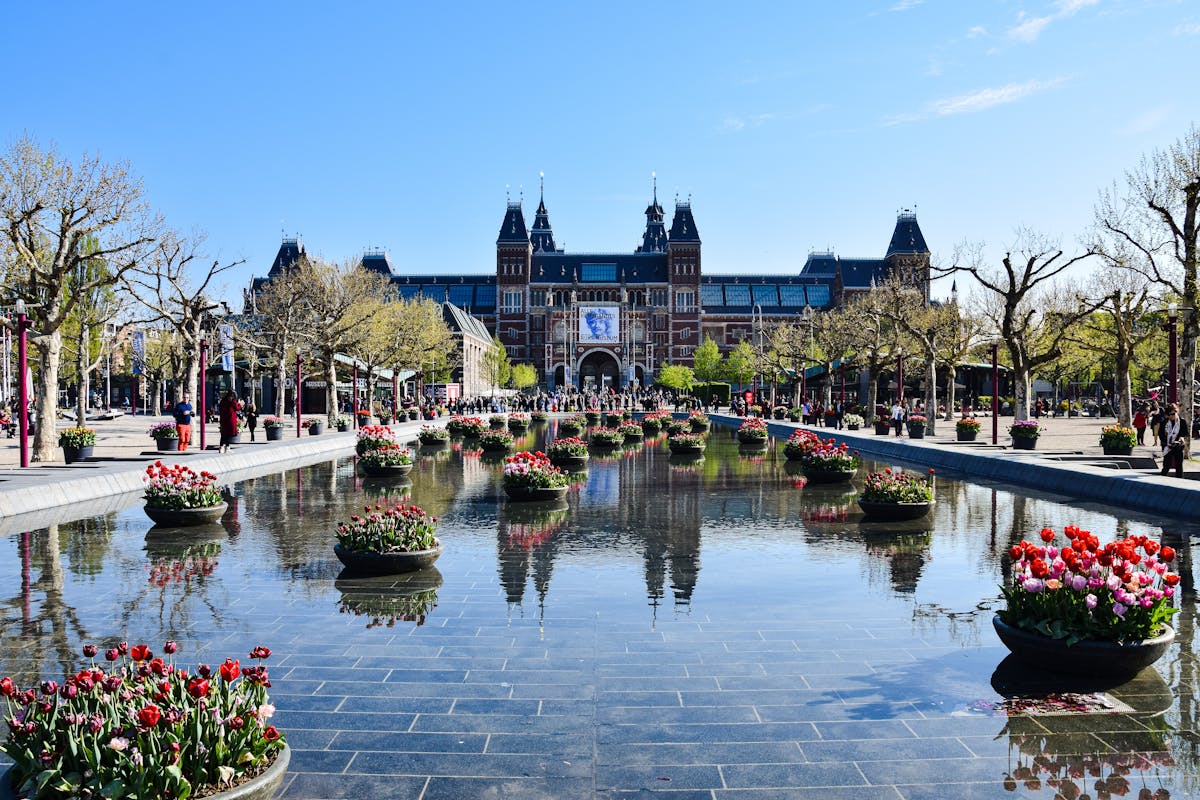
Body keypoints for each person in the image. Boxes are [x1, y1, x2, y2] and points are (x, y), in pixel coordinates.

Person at [1157, 403, 1186, 478]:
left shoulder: (1182, 421)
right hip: (1167, 446)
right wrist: (1167, 442)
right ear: (1167, 414)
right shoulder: (1164, 422)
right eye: (1171, 414)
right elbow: (1160, 434)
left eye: (1175, 413)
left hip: (1178, 446)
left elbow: (1184, 432)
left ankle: (1180, 481)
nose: (1173, 415)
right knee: (1167, 465)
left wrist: (1181, 438)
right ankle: (1162, 479)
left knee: (1179, 465)